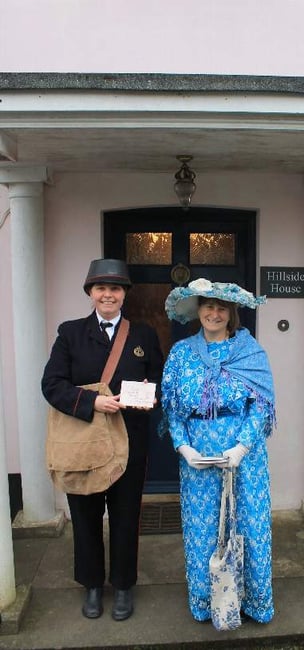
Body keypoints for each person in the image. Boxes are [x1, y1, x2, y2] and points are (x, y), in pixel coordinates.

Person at [41, 259, 163, 621]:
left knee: (126, 517)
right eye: (101, 288)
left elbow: (158, 379)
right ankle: (92, 584)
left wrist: (149, 392)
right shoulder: (70, 333)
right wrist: (92, 402)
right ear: (91, 293)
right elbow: (52, 384)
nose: (108, 294)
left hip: (130, 442)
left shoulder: (143, 335)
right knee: (85, 515)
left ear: (124, 294)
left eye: (115, 288)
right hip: (85, 443)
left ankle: (123, 585)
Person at [161, 277, 276, 625]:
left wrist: (242, 447)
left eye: (221, 307)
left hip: (244, 459)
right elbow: (171, 406)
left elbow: (261, 404)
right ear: (198, 310)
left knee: (249, 527)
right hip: (197, 460)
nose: (214, 313)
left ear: (231, 312)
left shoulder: (250, 351)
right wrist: (183, 447)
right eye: (208, 306)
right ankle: (207, 601)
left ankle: (252, 602)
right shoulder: (181, 353)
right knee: (203, 531)